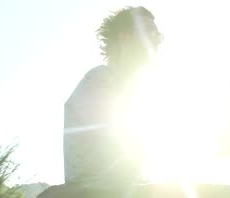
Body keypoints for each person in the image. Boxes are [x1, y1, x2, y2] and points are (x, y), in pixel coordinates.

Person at [63, 6, 162, 188]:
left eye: (159, 36)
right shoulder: (98, 80)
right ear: (124, 37)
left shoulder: (135, 91)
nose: (157, 41)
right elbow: (120, 140)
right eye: (149, 33)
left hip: (121, 194)